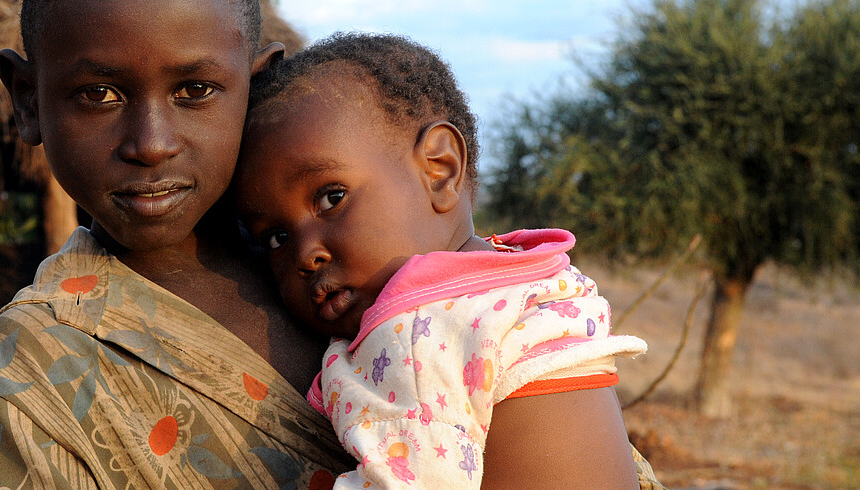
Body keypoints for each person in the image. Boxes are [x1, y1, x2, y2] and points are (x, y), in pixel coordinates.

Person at [0, 0, 353, 488]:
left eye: (195, 90)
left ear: (258, 87)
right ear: (29, 101)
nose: (151, 144)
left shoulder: (361, 258)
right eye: (98, 94)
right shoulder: (31, 365)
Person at [232, 32, 654, 489]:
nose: (305, 254)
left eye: (332, 198)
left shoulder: (420, 333)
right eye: (275, 237)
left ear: (440, 169)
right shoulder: (521, 280)